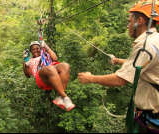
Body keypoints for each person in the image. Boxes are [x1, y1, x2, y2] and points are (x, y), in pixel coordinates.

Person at [78, 0, 159, 132]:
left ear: (139, 20)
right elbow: (143, 64)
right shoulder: (155, 40)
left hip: (151, 119)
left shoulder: (146, 46)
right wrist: (118, 60)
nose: (128, 26)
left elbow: (120, 80)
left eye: (129, 21)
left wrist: (90, 78)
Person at [23, 40, 75, 111]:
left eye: (37, 48)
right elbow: (28, 75)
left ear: (40, 49)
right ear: (31, 51)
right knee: (49, 68)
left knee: (66, 66)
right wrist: (27, 63)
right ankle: (65, 97)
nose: (35, 50)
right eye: (33, 49)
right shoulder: (29, 60)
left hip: (52, 76)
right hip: (41, 78)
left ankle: (59, 97)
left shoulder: (44, 55)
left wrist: (46, 47)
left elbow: (55, 59)